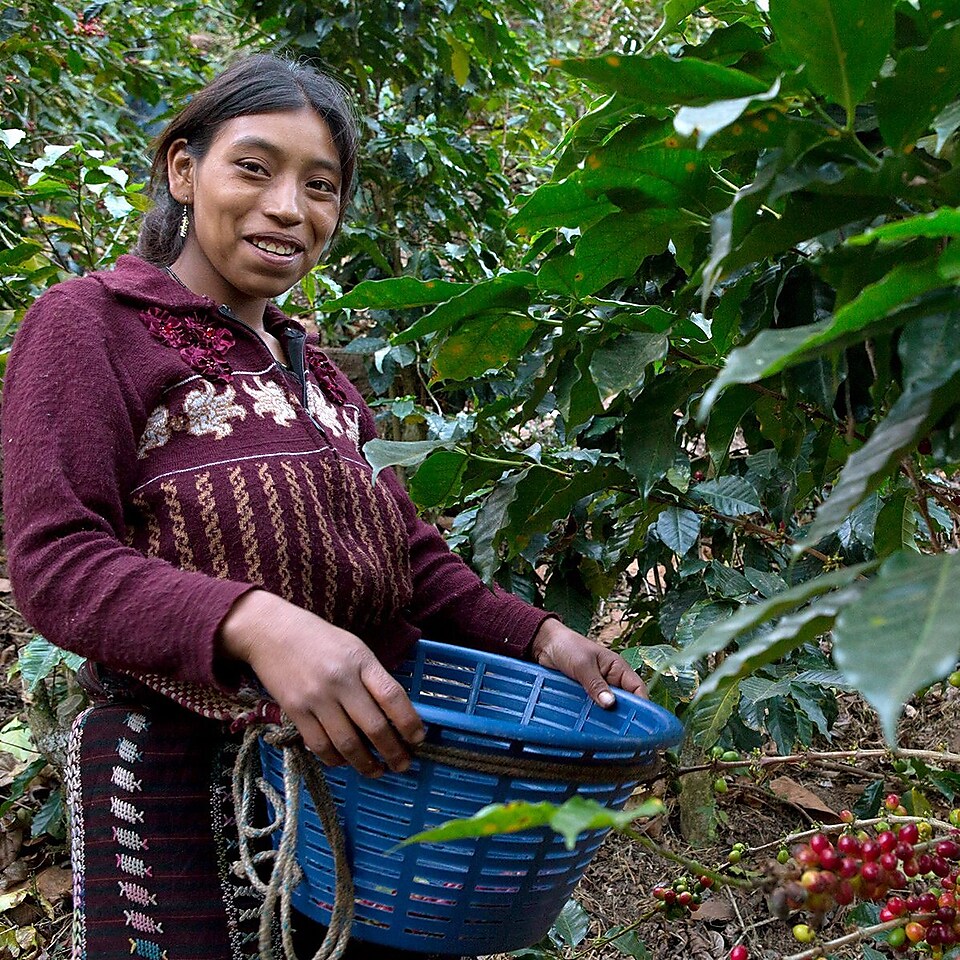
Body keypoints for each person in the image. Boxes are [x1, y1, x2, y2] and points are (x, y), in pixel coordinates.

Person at [2, 54, 647, 960]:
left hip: (364, 798)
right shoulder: (91, 325)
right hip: (180, 791)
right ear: (184, 172)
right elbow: (56, 562)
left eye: (321, 186)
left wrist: (542, 637)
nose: (289, 209)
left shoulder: (329, 382)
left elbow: (414, 560)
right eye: (254, 169)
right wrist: (256, 624)